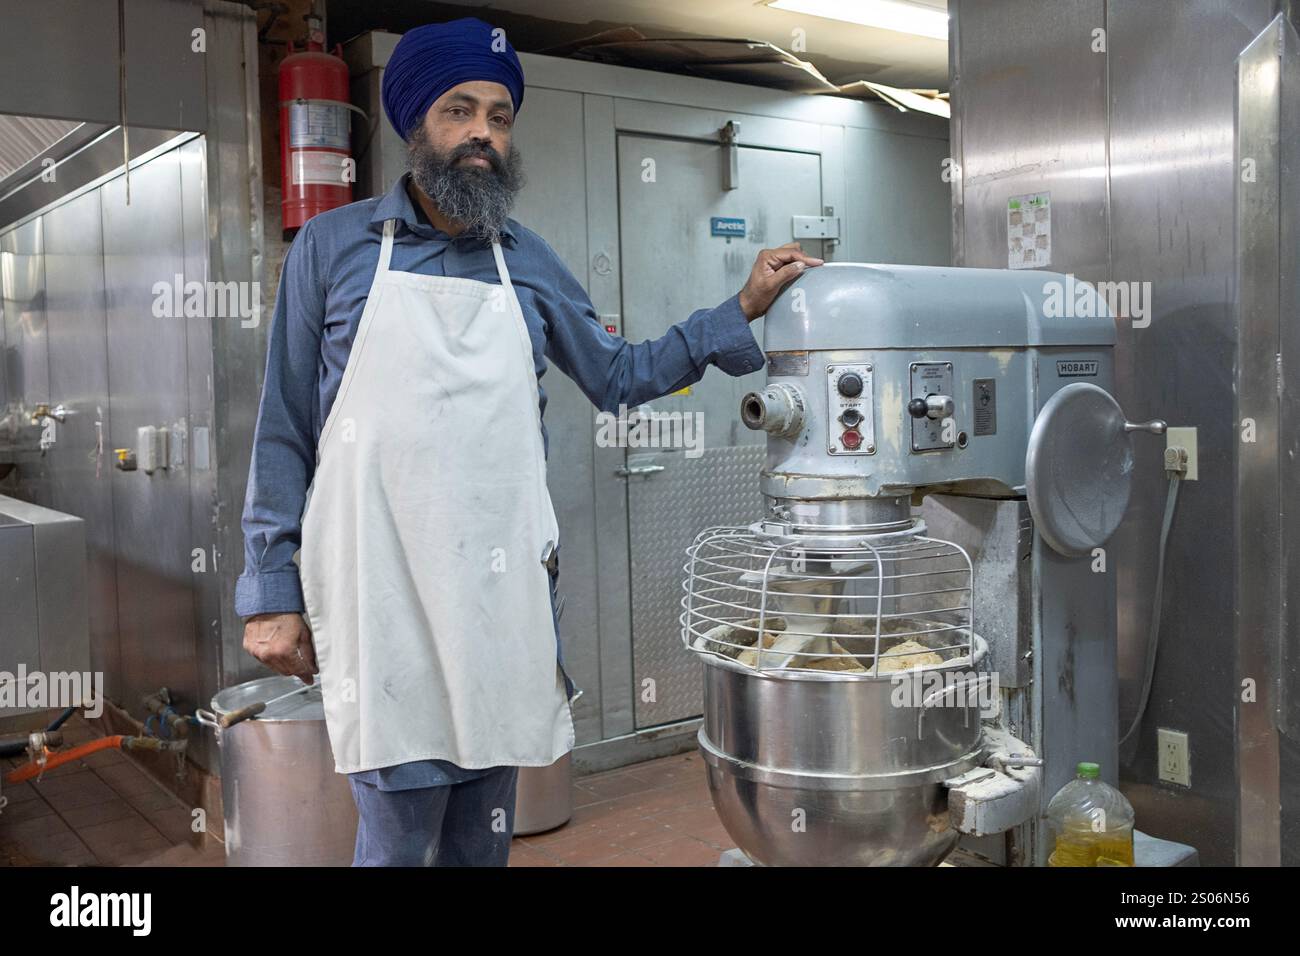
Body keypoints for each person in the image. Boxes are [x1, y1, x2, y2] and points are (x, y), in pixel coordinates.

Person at [236, 16, 822, 866]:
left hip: (495, 600)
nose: (482, 131)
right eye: (460, 110)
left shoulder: (527, 259)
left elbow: (619, 375)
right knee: (397, 841)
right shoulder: (333, 249)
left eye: (500, 116)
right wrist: (270, 589)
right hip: (383, 593)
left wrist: (735, 313)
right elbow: (284, 428)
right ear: (417, 127)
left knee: (482, 839)